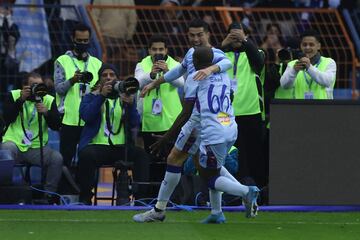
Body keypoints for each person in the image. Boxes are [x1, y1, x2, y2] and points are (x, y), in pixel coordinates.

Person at [132, 19, 248, 223]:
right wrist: (154, 83)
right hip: (224, 122)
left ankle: (245, 192)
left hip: (201, 122)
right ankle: (216, 212)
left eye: (199, 35)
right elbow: (182, 70)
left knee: (189, 164)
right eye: (192, 35)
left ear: (208, 34)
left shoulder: (199, 78)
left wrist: (167, 137)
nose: (195, 39)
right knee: (207, 166)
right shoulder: (206, 56)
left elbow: (186, 112)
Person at [77, 63, 150, 205]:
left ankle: (141, 199)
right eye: (105, 75)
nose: (108, 78)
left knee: (141, 155)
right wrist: (101, 97)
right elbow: (86, 116)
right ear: (99, 79)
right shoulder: (91, 97)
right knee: (86, 155)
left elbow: (135, 122)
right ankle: (85, 196)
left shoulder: (124, 96)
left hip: (120, 146)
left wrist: (129, 105)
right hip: (97, 145)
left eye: (112, 75)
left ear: (117, 78)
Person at [54, 23, 102, 193]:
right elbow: (59, 89)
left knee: (87, 160)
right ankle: (64, 194)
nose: (83, 43)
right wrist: (72, 80)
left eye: (86, 40)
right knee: (65, 160)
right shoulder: (62, 61)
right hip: (68, 118)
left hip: (89, 119)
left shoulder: (96, 63)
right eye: (79, 40)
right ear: (72, 39)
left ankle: (85, 195)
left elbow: (100, 88)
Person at [1, 72, 63, 201]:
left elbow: (56, 126)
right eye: (34, 85)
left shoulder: (48, 99)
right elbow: (7, 118)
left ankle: (49, 195)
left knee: (56, 158)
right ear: (25, 86)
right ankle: (3, 192)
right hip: (14, 143)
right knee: (5, 152)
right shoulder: (14, 95)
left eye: (40, 85)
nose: (37, 89)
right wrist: (21, 100)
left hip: (36, 147)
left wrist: (47, 113)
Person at [221, 22, 267, 189]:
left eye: (239, 35)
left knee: (253, 154)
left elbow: (259, 62)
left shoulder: (256, 52)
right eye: (233, 35)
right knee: (232, 156)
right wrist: (223, 45)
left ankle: (258, 189)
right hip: (226, 114)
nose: (236, 39)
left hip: (251, 112)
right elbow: (208, 62)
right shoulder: (222, 56)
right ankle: (234, 191)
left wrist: (245, 42)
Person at [135, 35, 183, 162]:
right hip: (151, 121)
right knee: (151, 159)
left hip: (172, 120)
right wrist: (151, 74)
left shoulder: (175, 64)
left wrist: (167, 72)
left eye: (161, 49)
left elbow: (180, 83)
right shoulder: (142, 64)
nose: (158, 52)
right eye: (154, 49)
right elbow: (138, 83)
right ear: (149, 50)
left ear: (166, 50)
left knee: (171, 159)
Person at [280, 29, 336, 99]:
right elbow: (284, 85)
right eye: (304, 44)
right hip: (300, 108)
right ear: (300, 46)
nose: (307, 47)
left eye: (311, 44)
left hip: (323, 108)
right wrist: (294, 71)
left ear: (318, 46)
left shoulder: (329, 62)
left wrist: (309, 68)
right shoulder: (293, 64)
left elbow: (327, 82)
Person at [0, 3, 20, 98]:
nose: (5, 10)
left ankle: (8, 100)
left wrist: (8, 18)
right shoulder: (2, 23)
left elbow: (14, 35)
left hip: (9, 58)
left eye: (7, 9)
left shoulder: (13, 25)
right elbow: (3, 32)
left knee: (9, 79)